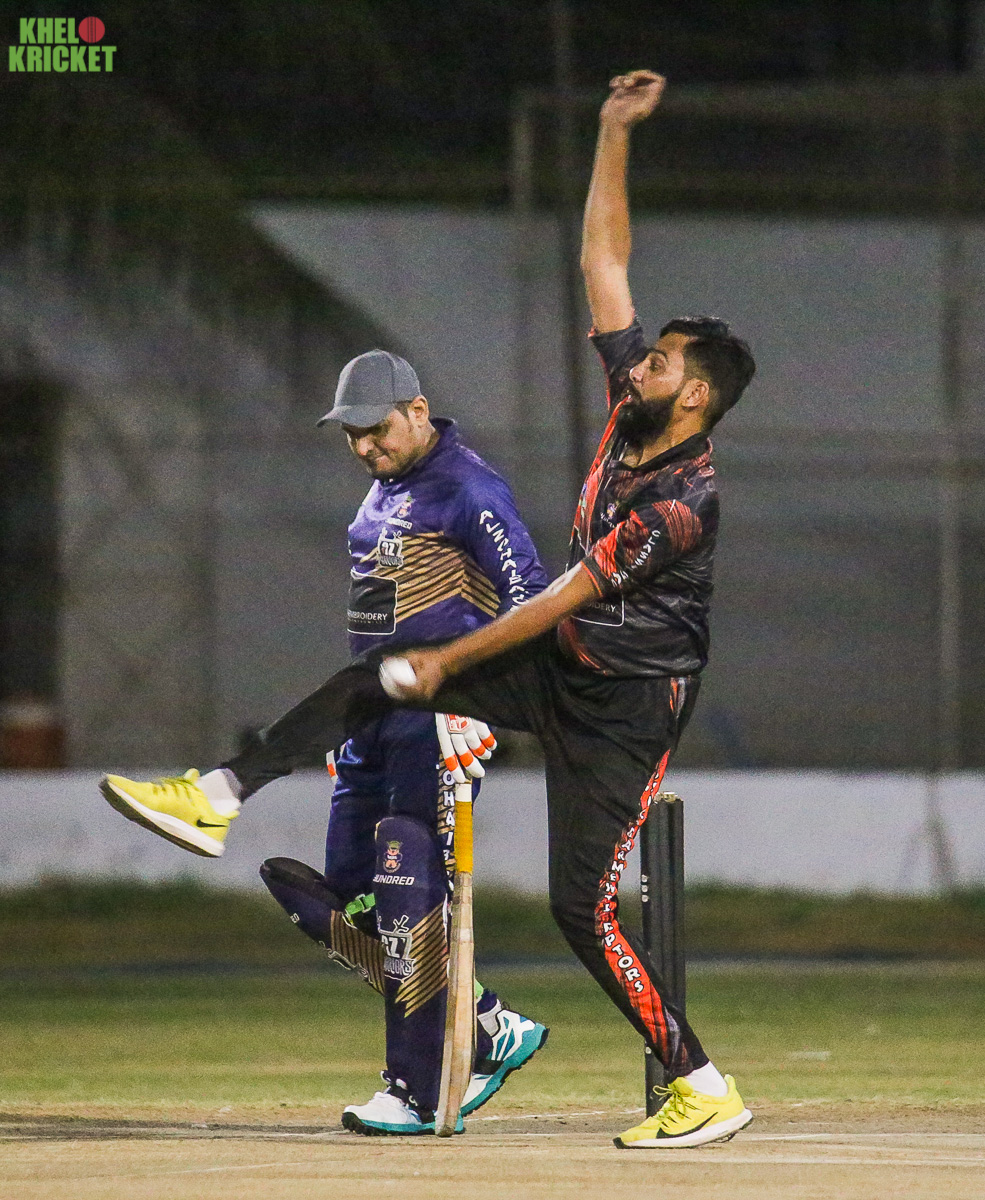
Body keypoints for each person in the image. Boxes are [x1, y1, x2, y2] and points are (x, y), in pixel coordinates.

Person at [102, 69, 756, 1149]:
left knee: (581, 910)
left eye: (655, 362)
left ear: (692, 393)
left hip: (630, 707)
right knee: (381, 676)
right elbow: (601, 262)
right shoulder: (631, 411)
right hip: (571, 658)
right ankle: (218, 792)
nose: (634, 362)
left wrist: (453, 671)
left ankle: (703, 1085)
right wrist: (611, 130)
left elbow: (561, 593)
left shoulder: (685, 501)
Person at [105, 348, 550, 1136]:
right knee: (353, 899)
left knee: (406, 886)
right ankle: (484, 1023)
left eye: (376, 429)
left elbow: (532, 601)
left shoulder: (468, 488)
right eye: (351, 434)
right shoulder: (386, 491)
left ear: (417, 411)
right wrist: (346, 728)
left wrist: (482, 705)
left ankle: (416, 1089)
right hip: (369, 720)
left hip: (438, 718)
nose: (365, 446)